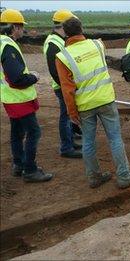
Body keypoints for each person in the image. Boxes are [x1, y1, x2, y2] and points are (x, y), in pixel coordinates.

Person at [55, 17, 130, 189]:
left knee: (88, 141)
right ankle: (124, 176)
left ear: (64, 33)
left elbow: (67, 89)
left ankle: (94, 177)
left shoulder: (62, 57)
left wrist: (72, 113)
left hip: (85, 105)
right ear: (82, 28)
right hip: (106, 99)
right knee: (115, 138)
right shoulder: (97, 45)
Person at [0, 9, 54, 182]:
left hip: (10, 98)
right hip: (19, 98)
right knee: (34, 132)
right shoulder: (8, 46)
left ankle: (19, 164)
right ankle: (29, 170)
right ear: (14, 27)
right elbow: (17, 78)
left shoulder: (2, 43)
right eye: (21, 26)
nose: (23, 30)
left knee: (17, 133)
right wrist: (34, 77)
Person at [43, 9, 82, 158]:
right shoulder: (53, 43)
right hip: (62, 87)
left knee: (67, 117)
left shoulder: (58, 40)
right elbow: (55, 71)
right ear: (63, 26)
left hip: (64, 86)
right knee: (65, 117)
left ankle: (71, 141)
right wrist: (67, 87)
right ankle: (66, 148)